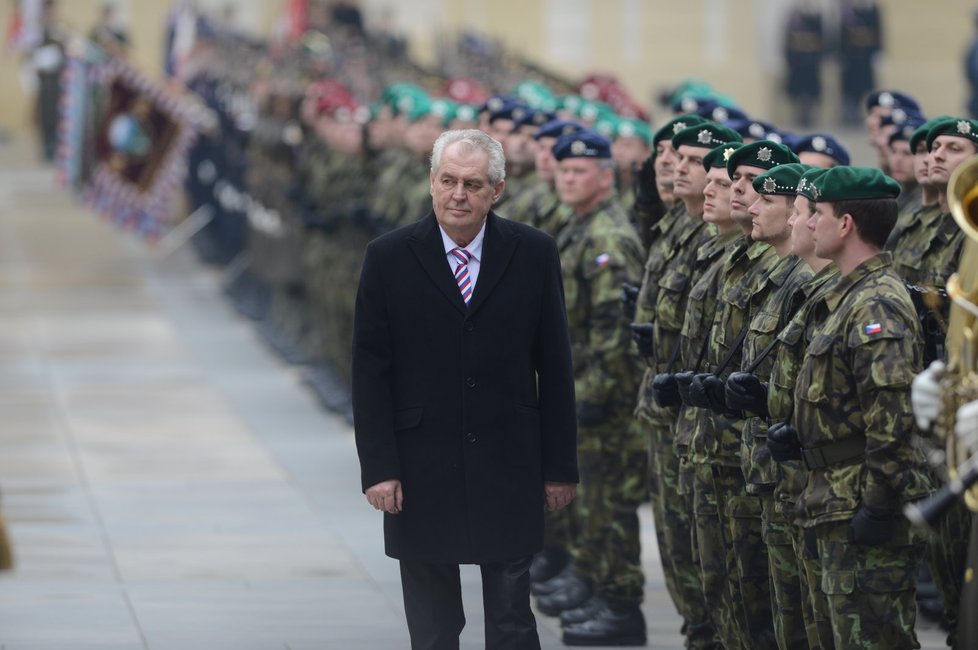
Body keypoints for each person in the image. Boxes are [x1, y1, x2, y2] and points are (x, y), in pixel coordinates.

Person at [352, 129, 579, 649]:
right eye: (448, 181)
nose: (459, 195)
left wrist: (560, 467)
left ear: (496, 190)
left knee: (513, 621)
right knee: (433, 626)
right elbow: (369, 371)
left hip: (509, 462)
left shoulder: (533, 253)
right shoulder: (387, 257)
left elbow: (555, 364)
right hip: (420, 463)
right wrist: (379, 467)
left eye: (473, 184)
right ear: (431, 183)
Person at [790, 166, 933, 648]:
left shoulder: (876, 304)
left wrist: (879, 502)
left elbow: (891, 416)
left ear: (846, 223)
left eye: (819, 214)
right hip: (833, 497)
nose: (808, 224)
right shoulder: (848, 294)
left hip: (860, 502)